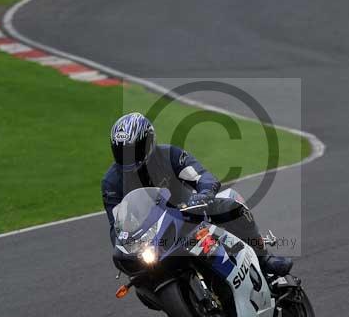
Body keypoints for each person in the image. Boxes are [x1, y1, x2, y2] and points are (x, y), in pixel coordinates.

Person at [101, 112, 292, 276]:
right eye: (123, 151)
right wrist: (124, 248)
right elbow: (116, 226)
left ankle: (264, 257)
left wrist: (204, 194)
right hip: (153, 236)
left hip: (191, 213)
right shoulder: (112, 182)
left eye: (134, 150)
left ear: (149, 142)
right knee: (139, 281)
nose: (129, 156)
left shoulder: (170, 155)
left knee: (231, 203)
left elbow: (203, 176)